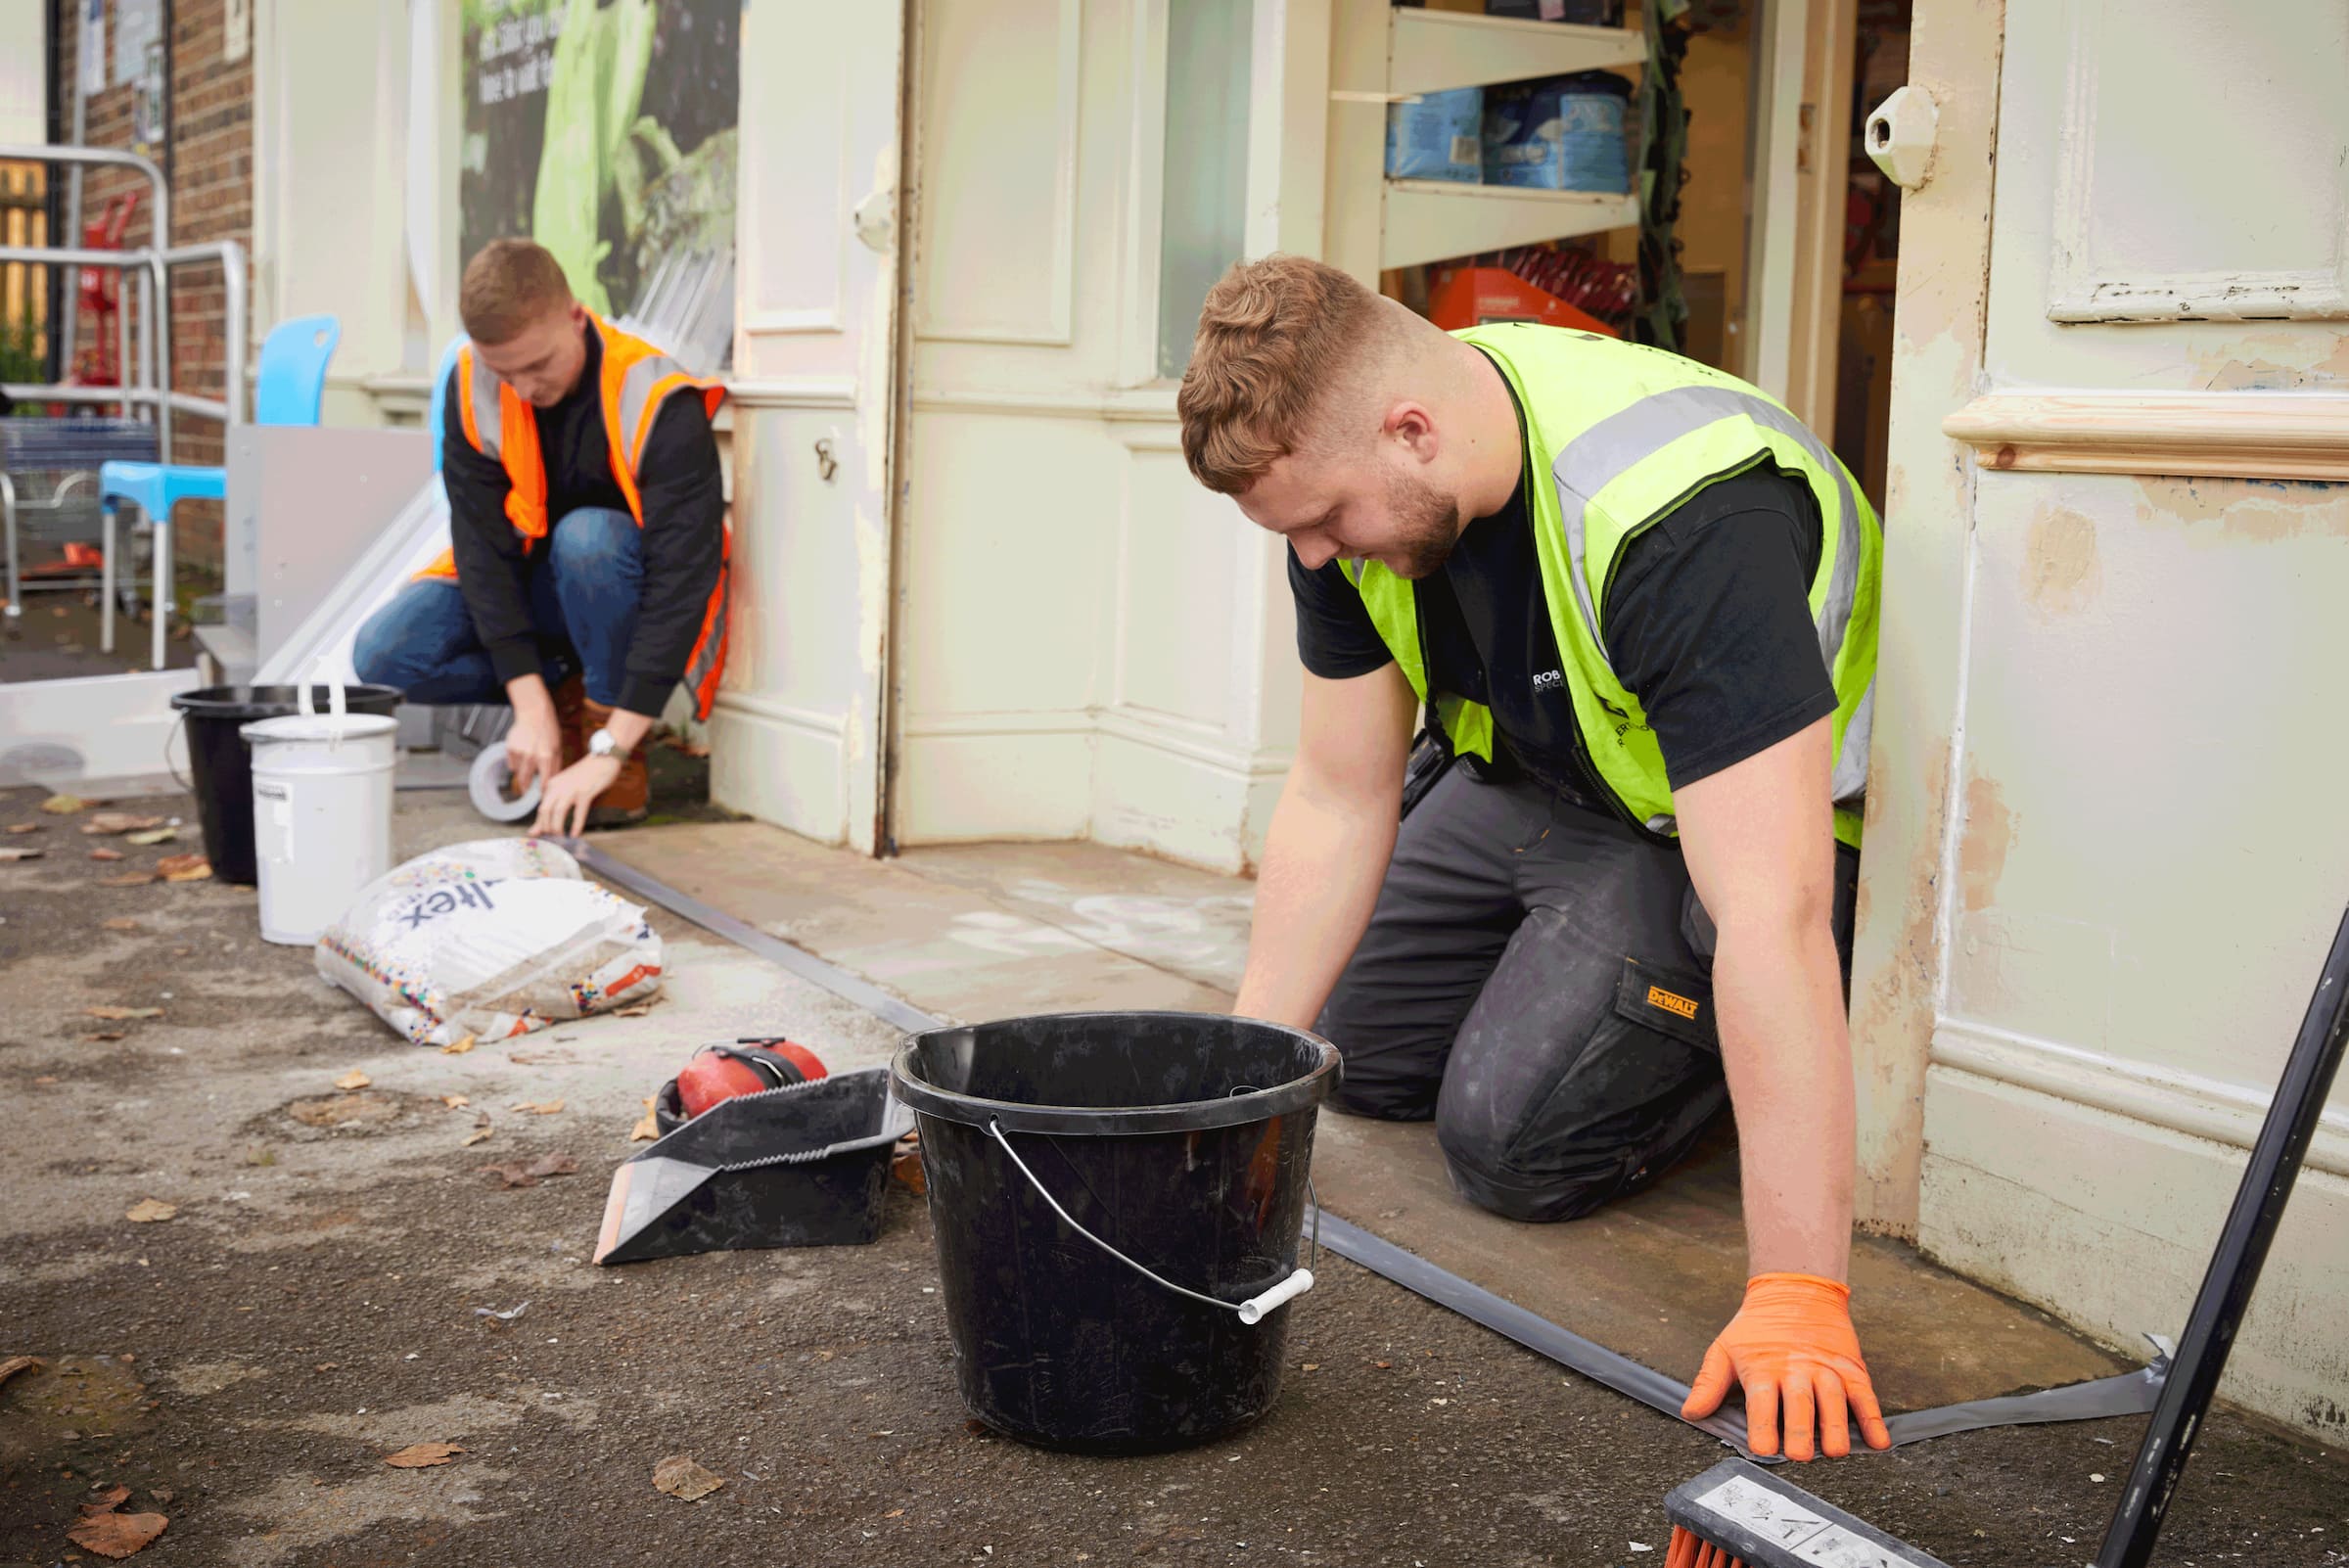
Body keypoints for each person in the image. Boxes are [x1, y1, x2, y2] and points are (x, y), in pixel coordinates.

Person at [1176, 254, 1888, 1463]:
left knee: (1511, 1143)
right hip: (1529, 779)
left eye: (1323, 521)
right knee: (1346, 1048)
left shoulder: (1680, 518)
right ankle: (1574, 984)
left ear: (1412, 432)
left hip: (1702, 834)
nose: (1311, 559)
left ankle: (1695, 1052)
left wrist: (1799, 1295)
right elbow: (1339, 795)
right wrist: (1244, 1093)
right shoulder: (1350, 497)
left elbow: (1771, 910)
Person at [353, 239, 728, 837]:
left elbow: (684, 582)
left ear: (577, 318)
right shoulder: (472, 386)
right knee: (383, 654)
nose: (524, 389)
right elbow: (482, 551)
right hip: (539, 590)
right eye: (506, 372)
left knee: (587, 539)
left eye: (539, 365)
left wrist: (609, 748)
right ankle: (563, 701)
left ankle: (612, 742)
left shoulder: (656, 396)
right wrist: (529, 703)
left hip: (618, 588)